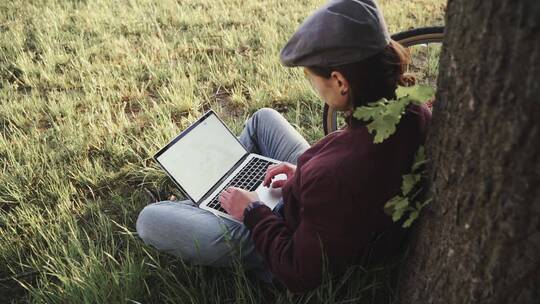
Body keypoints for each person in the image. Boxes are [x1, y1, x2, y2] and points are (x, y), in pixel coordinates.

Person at [136, 0, 431, 293]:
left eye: (309, 75)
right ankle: (219, 194)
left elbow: (297, 271)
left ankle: (210, 203)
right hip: (317, 203)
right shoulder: (410, 110)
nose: (311, 83)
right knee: (263, 119)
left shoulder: (333, 177)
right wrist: (300, 175)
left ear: (340, 82)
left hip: (282, 239)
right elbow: (345, 167)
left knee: (149, 219)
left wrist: (252, 211)